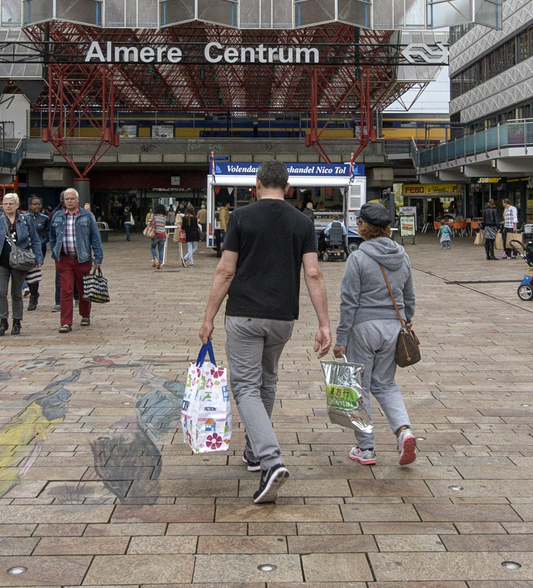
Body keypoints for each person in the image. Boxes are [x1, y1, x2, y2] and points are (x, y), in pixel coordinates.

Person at [196, 159, 332, 504]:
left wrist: (209, 317)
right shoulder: (303, 221)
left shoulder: (241, 217)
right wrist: (324, 323)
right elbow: (313, 274)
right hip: (283, 318)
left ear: (256, 185)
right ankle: (255, 452)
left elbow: (226, 272)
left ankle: (271, 460)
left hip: (244, 315)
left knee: (245, 386)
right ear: (288, 188)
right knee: (266, 382)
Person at [332, 202, 418, 467]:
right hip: (393, 328)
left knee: (360, 388)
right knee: (385, 384)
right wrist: (406, 320)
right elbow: (409, 297)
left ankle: (366, 448)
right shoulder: (402, 255)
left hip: (363, 329)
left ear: (363, 227)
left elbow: (349, 302)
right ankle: (404, 431)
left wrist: (341, 338)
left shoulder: (358, 257)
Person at [0, 192, 43, 336]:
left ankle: (17, 320)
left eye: (11, 203)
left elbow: (35, 239)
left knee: (16, 293)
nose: (8, 206)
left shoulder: (25, 220)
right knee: (0, 292)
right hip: (1, 261)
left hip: (19, 261)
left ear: (17, 205)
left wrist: (38, 258)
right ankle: (3, 320)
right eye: (5, 204)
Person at [48, 188, 103, 333]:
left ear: (77, 200)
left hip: (82, 258)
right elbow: (52, 237)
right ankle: (66, 322)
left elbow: (95, 237)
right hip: (64, 258)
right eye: (67, 199)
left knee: (83, 288)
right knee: (66, 290)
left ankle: (85, 314)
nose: (70, 201)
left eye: (72, 199)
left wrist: (98, 257)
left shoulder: (87, 216)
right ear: (63, 201)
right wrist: (55, 252)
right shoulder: (57, 216)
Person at [23, 197, 49, 311]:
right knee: (24, 272)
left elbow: (48, 234)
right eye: (34, 204)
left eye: (38, 204)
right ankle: (29, 289)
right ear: (29, 205)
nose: (36, 207)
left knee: (34, 272)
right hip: (25, 248)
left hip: (38, 249)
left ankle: (33, 296)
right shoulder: (24, 218)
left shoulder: (44, 218)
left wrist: (40, 242)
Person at [147, 202, 169, 270]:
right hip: (163, 234)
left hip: (156, 234)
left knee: (152, 247)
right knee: (160, 250)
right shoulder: (164, 217)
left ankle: (155, 259)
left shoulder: (153, 215)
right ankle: (160, 264)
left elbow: (149, 223)